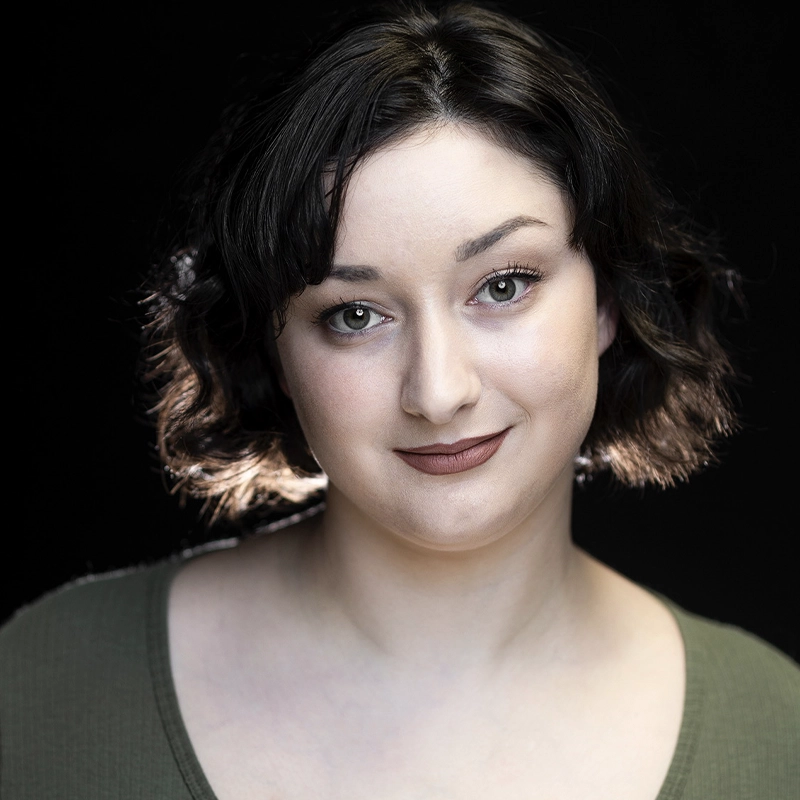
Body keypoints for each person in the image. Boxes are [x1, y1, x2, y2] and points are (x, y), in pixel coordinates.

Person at [2, 3, 798, 798]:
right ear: (275, 352)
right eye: (355, 316)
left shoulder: (775, 738)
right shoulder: (44, 687)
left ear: (607, 303)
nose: (440, 391)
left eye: (503, 285)